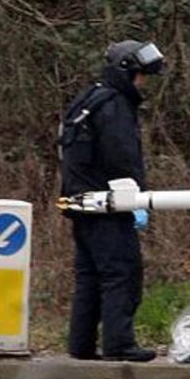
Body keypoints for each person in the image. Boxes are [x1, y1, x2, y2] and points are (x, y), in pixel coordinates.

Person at [59, 40, 164, 362]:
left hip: (79, 201)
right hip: (108, 202)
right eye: (140, 76)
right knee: (122, 272)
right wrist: (138, 201)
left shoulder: (89, 98)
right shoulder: (115, 105)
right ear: (126, 72)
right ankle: (119, 344)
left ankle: (81, 345)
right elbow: (123, 158)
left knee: (89, 274)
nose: (142, 82)